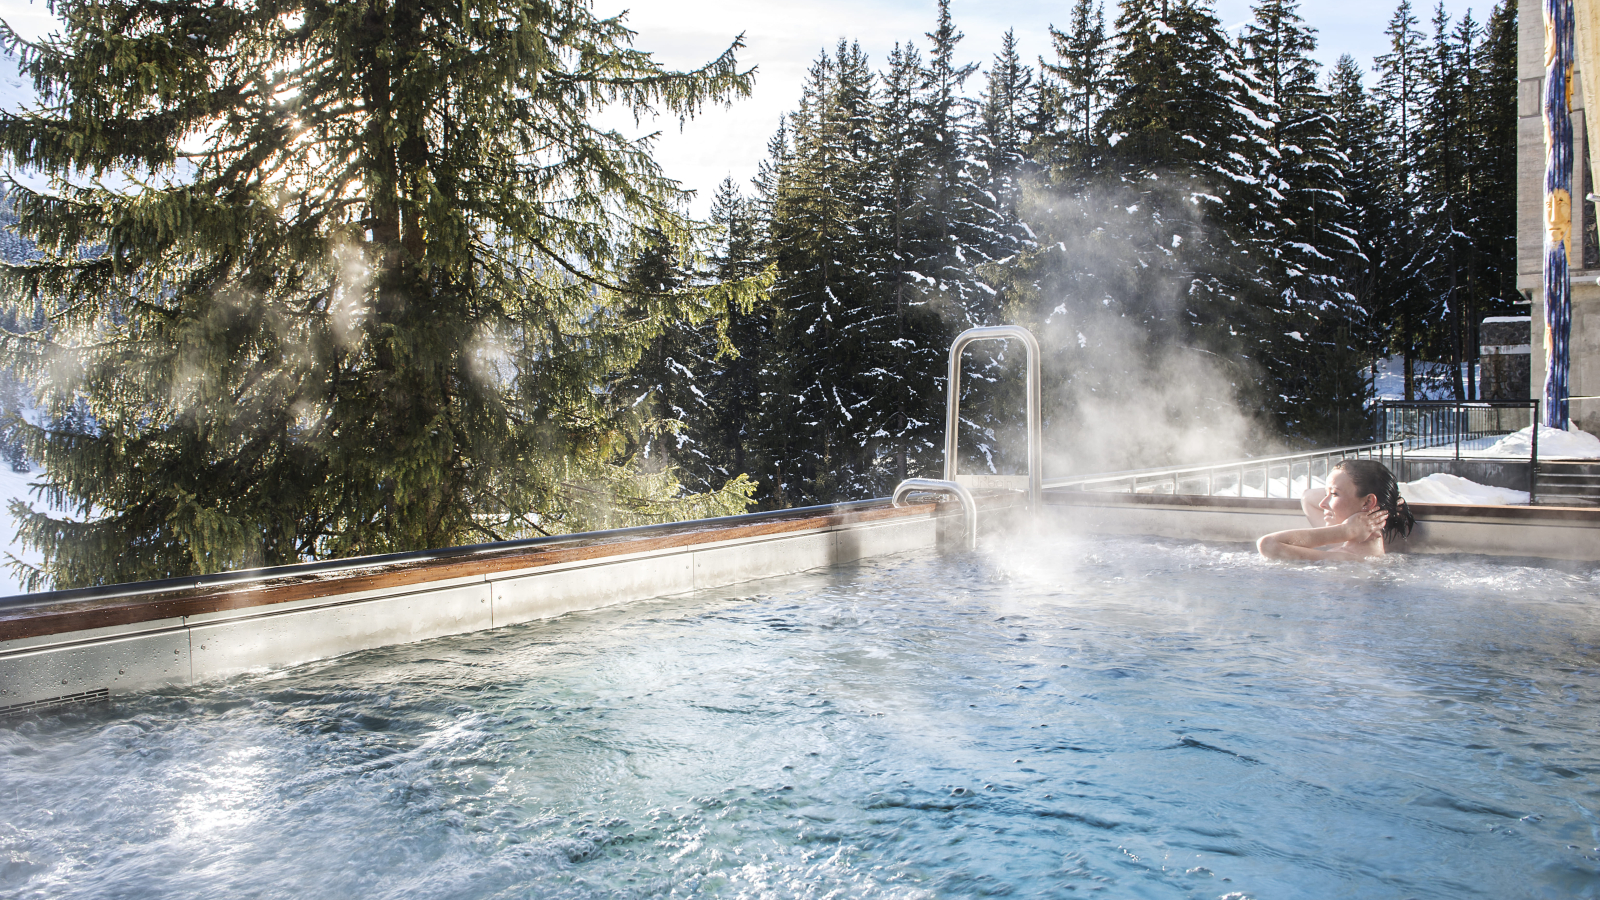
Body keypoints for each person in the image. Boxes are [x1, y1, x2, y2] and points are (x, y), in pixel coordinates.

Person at [1256, 459, 1415, 561]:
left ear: (1367, 501)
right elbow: (1308, 497)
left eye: (1333, 494)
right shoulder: (1350, 544)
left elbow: (1268, 545)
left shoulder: (1351, 561)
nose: (1322, 504)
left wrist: (1346, 531)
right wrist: (1390, 503)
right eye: (1326, 494)